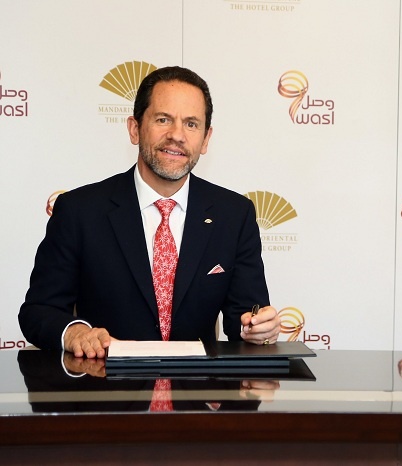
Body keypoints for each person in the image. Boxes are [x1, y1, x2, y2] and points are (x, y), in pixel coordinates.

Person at [19, 66, 280, 358]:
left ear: (206, 139)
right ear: (135, 129)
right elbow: (38, 311)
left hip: (196, 385)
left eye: (191, 124)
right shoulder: (79, 211)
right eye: (163, 119)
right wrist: (74, 332)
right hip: (105, 382)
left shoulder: (234, 215)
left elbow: (245, 317)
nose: (177, 135)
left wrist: (257, 329)